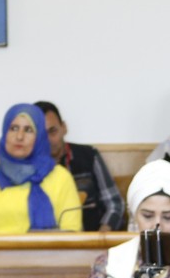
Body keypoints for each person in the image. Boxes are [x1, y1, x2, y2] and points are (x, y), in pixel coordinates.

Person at [0, 104, 83, 234]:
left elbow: (72, 235)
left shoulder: (61, 178)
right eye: (13, 128)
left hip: (47, 248)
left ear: (40, 137)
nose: (19, 136)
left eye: (28, 130)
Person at [35, 99, 125, 232]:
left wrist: (102, 236)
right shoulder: (27, 168)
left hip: (93, 237)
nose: (47, 140)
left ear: (64, 127)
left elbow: (114, 203)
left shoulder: (89, 156)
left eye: (52, 131)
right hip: (47, 240)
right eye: (41, 134)